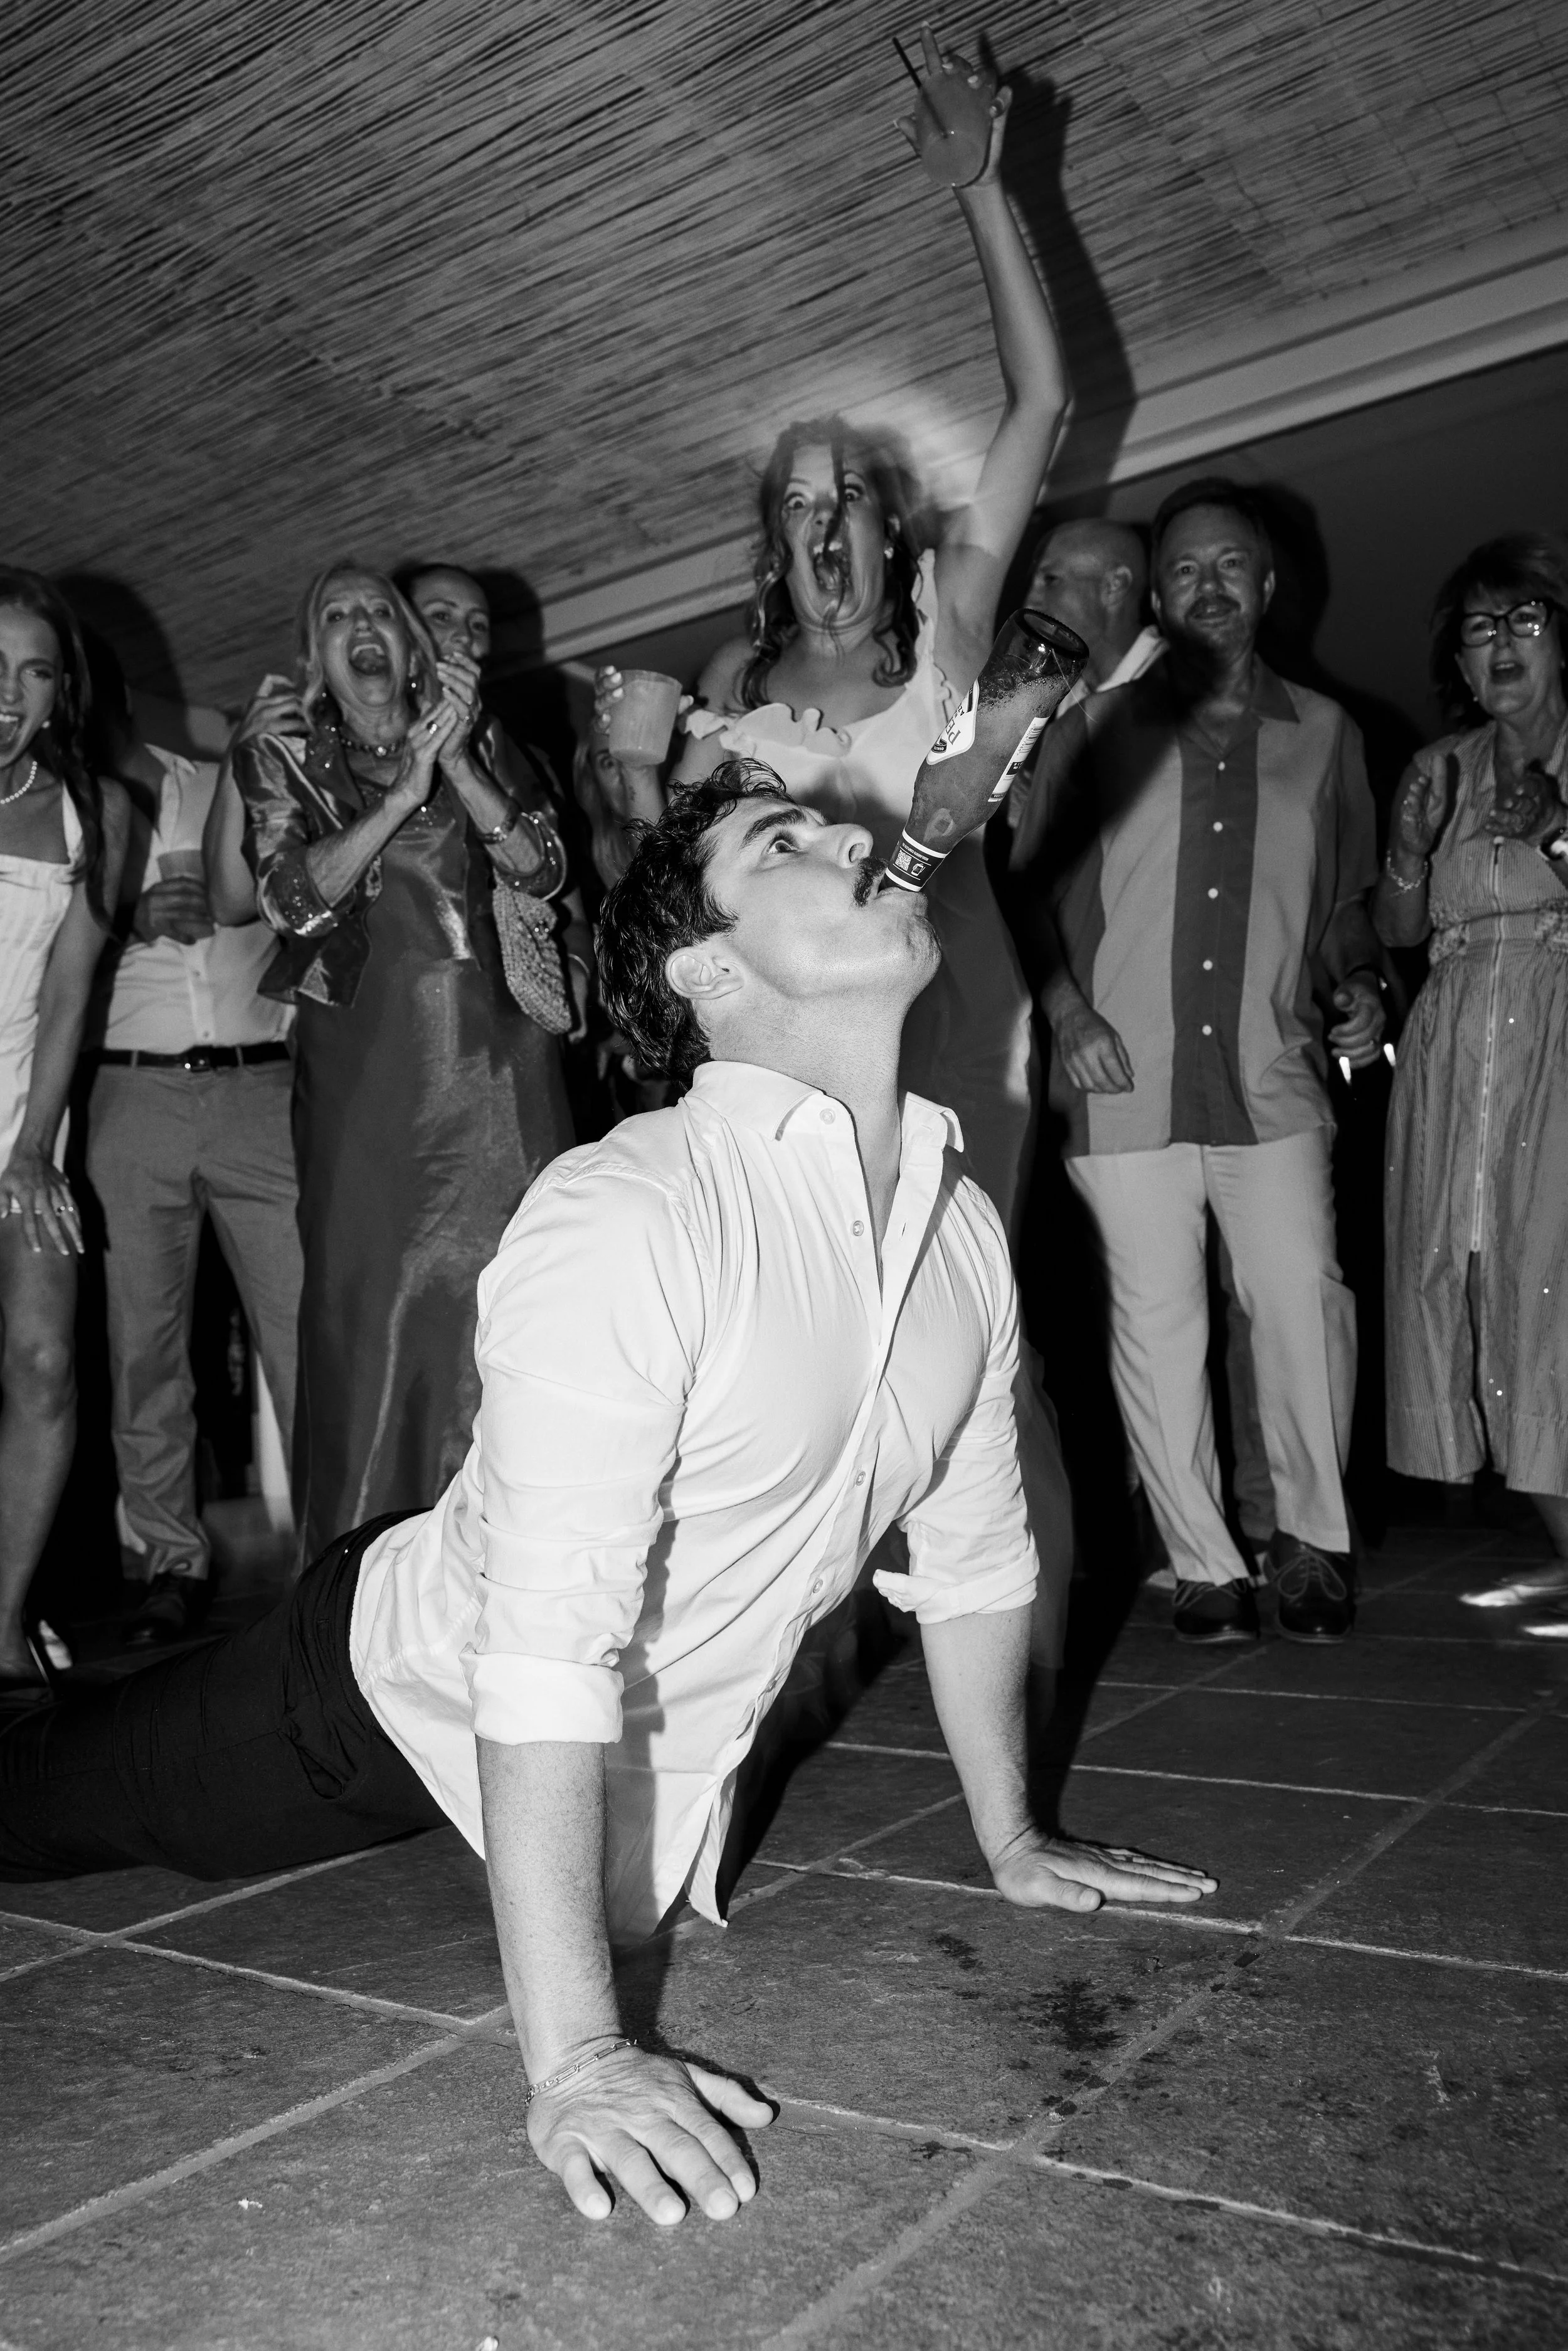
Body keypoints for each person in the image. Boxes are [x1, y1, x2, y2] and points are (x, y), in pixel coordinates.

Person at [0, 762, 1216, 2224]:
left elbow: (971, 1553)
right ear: (707, 968)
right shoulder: (630, 1208)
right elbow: (543, 1645)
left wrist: (1012, 1834)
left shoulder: (953, 1222)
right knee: (60, 1792)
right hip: (383, 1682)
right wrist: (576, 2054)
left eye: (832, 823)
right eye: (793, 838)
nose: (857, 833)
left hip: (527, 1628)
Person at [601, 33, 1068, 1237]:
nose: (826, 520)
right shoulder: (733, 683)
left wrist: (980, 193)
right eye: (799, 502)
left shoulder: (949, 611)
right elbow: (678, 898)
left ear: (886, 522)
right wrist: (637, 769)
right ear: (775, 545)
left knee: (959, 1310)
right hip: (803, 1040)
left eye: (848, 494)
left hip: (962, 1014)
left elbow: (1042, 402)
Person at [1016, 479, 1386, 1643]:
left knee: (1301, 1300)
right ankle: (1202, 1561)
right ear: (1156, 595)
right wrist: (1067, 1010)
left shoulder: (1327, 732)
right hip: (1125, 1077)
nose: (1211, 583)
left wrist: (1363, 985)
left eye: (1233, 565)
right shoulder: (1091, 729)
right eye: (1185, 568)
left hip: (1273, 1070)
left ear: (1269, 586)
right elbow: (1020, 891)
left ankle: (1313, 1547)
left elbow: (1342, 906)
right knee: (1156, 1321)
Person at [232, 562, 575, 1563]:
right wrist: (398, 800)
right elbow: (292, 901)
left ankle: (528, 1566)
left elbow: (544, 870)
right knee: (370, 1316)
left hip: (501, 1069)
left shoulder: (478, 732)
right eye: (335, 614)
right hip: (366, 1080)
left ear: (411, 644)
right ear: (316, 658)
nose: (361, 625)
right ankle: (363, 1595)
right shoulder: (282, 757)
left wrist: (460, 762)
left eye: (379, 609)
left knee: (514, 1309)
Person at [80, 662, 301, 1649]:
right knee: (142, 1347)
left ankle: (342, 1548)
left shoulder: (223, 781)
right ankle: (168, 1563)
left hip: (263, 1085)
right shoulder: (55, 815)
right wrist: (119, 918)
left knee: (302, 1330)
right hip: (127, 1089)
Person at [1374, 534, 1568, 1636]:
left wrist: (1557, 831)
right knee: (1483, 1291)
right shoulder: (1441, 765)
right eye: (1479, 626)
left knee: (1557, 1292)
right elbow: (1404, 929)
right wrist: (1406, 849)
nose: (1500, 644)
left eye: (1526, 619)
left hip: (1557, 1030)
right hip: (1455, 1050)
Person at [0, 571, 129, 1701]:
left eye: (33, 669)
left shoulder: (93, 808)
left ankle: (2, 1620)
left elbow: (70, 992)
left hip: (22, 1111)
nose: (8, 691)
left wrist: (37, 1142)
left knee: (43, 1363)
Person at [400, 563, 595, 1038]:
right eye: (442, 617)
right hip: (401, 1017)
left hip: (510, 1011)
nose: (465, 638)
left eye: (479, 624)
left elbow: (563, 897)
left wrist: (576, 973)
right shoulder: (352, 754)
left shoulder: (513, 754)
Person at [1006, 519, 1164, 865]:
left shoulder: (1180, 690)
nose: (1030, 600)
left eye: (1050, 580)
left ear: (1115, 586)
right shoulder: (1048, 702)